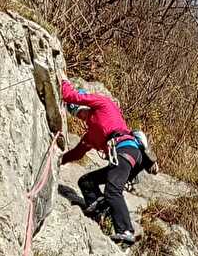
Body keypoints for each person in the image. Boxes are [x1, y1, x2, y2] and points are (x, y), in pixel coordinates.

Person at [60, 79, 146, 246]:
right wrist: (60, 160)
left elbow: (69, 95)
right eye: (77, 115)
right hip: (122, 155)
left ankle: (126, 230)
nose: (80, 116)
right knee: (86, 182)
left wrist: (63, 82)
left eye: (80, 111)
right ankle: (100, 210)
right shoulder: (91, 134)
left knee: (112, 190)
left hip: (126, 149)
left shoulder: (103, 104)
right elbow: (78, 153)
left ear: (86, 105)